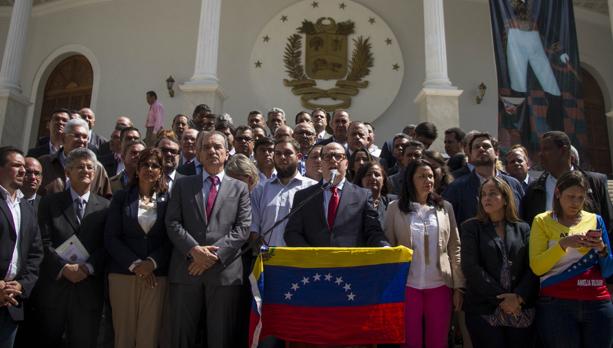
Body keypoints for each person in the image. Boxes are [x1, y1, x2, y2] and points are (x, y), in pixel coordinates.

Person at [165, 131, 251, 347]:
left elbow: (242, 228)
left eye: (217, 147)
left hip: (224, 273)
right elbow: (172, 222)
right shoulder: (183, 184)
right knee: (182, 336)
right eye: (206, 147)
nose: (212, 151)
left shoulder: (240, 188)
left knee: (220, 337)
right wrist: (194, 251)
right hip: (187, 270)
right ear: (198, 154)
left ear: (226, 154)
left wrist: (210, 256)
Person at [33, 148, 110, 348]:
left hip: (88, 291)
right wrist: (63, 268)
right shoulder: (50, 203)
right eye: (80, 167)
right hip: (54, 290)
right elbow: (43, 240)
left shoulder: (105, 207)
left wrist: (87, 268)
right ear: (68, 172)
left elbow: (106, 244)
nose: (86, 171)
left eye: (89, 167)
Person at [384, 159, 464, 348]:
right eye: (422, 176)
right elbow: (388, 244)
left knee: (438, 341)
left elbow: (455, 247)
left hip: (440, 286)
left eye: (430, 176)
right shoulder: (395, 208)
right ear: (410, 180)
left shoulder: (445, 207)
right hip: (408, 286)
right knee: (410, 341)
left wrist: (459, 286)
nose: (428, 180)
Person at [529, 170, 613, 347]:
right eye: (570, 196)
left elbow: (608, 270)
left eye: (580, 198)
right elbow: (537, 267)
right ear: (558, 193)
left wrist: (602, 250)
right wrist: (562, 245)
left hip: (597, 300)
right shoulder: (542, 221)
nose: (575, 203)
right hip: (557, 302)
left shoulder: (596, 220)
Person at [105, 148, 171, 348]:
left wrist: (151, 263)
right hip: (123, 274)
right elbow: (111, 237)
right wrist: (135, 265)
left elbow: (171, 238)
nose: (149, 169)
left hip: (156, 276)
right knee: (124, 336)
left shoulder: (167, 200)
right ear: (137, 168)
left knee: (148, 337)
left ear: (161, 171)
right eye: (145, 164)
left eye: (155, 165)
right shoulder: (121, 197)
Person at [460, 177, 538, 348]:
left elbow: (533, 266)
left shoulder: (523, 228)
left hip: (520, 309)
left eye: (492, 194)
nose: (486, 198)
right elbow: (471, 268)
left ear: (505, 199)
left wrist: (518, 297)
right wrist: (502, 300)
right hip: (484, 309)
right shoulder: (470, 228)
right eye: (483, 194)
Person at [285, 142, 389, 247]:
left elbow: (373, 231)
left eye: (338, 156)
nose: (333, 160)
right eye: (328, 156)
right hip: (314, 261)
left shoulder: (363, 196)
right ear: (321, 164)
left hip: (351, 261)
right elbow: (292, 233)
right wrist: (312, 255)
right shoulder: (303, 196)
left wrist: (384, 246)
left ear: (347, 164)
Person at [523, 131, 613, 230]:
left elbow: (609, 224)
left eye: (546, 149)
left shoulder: (595, 183)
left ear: (563, 151)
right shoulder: (534, 189)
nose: (540, 154)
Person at [0, 147, 43, 348]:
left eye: (24, 167)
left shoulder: (26, 208)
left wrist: (21, 285)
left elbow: (35, 254)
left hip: (12, 303)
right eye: (16, 166)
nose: (23, 171)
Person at [444, 133, 524, 226]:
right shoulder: (457, 188)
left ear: (497, 153)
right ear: (470, 154)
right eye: (476, 147)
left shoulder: (514, 185)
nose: (481, 149)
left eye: (486, 146)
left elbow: (522, 218)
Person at [252, 139, 317, 247]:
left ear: (299, 157)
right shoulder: (260, 189)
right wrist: (261, 248)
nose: (282, 157)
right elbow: (254, 227)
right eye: (278, 154)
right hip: (268, 258)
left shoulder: (313, 188)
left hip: (301, 258)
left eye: (287, 153)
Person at [37, 118, 112, 198]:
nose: (81, 140)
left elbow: (106, 202)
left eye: (84, 137)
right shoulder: (44, 163)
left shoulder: (98, 169)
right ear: (63, 138)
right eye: (76, 136)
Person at [354, 161, 396, 229]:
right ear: (361, 180)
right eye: (369, 174)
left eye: (377, 175)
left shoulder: (393, 202)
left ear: (383, 180)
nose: (373, 177)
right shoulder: (352, 203)